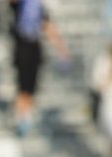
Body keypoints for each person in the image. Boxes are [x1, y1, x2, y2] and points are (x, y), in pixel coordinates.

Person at [9, 0, 70, 135]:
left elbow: (48, 26)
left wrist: (62, 50)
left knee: (31, 88)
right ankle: (22, 119)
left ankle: (26, 118)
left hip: (34, 49)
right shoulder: (19, 5)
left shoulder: (39, 7)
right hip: (22, 48)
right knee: (23, 87)